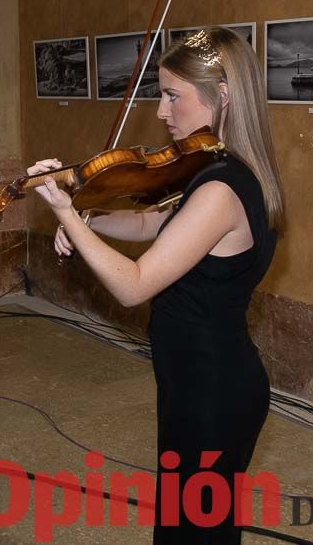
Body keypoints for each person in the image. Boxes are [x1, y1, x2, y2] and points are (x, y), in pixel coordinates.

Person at [29, 27, 284, 543]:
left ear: (223, 96)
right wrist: (89, 219)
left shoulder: (221, 188)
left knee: (193, 533)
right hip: (194, 379)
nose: (162, 112)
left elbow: (135, 284)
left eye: (172, 96)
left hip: (213, 389)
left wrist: (65, 210)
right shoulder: (212, 169)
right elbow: (152, 228)